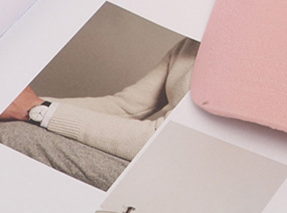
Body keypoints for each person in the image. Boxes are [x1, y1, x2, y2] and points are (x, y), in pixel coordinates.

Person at [0, 37, 199, 189]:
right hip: (153, 158)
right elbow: (126, 107)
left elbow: (162, 141)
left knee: (16, 136)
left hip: (178, 178)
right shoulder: (192, 43)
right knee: (9, 126)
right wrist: (17, 105)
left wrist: (37, 110)